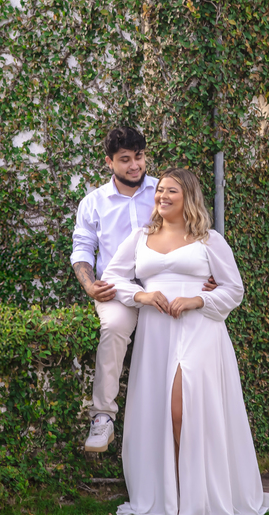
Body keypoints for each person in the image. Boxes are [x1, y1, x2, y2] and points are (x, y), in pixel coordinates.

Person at [101, 168, 266, 515]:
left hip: (199, 330)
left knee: (185, 407)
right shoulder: (141, 237)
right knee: (161, 410)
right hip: (157, 331)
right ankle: (168, 494)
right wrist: (141, 293)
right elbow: (113, 277)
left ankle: (195, 493)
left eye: (171, 191)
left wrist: (196, 301)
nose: (162, 196)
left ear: (188, 196)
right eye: (159, 190)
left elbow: (233, 289)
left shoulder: (210, 240)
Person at [71, 128, 214, 452]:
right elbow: (82, 248)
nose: (135, 165)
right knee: (116, 326)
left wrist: (207, 277)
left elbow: (195, 231)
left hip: (163, 284)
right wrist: (90, 285)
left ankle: (189, 431)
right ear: (109, 162)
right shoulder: (93, 203)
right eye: (125, 160)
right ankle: (102, 418)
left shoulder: (162, 191)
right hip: (118, 288)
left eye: (139, 157)